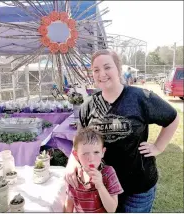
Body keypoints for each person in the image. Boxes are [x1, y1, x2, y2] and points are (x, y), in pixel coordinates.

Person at [65, 49, 179, 213]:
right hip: (103, 186)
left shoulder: (140, 97)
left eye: (107, 67)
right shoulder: (88, 106)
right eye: (96, 70)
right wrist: (72, 163)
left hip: (137, 187)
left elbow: (172, 118)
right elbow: (79, 142)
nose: (101, 73)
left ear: (118, 69)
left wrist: (158, 147)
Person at [63, 127, 123, 213]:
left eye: (96, 152)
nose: (91, 158)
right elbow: (69, 203)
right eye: (85, 153)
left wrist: (100, 186)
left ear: (103, 152)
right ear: (76, 155)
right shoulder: (74, 176)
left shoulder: (108, 173)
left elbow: (112, 209)